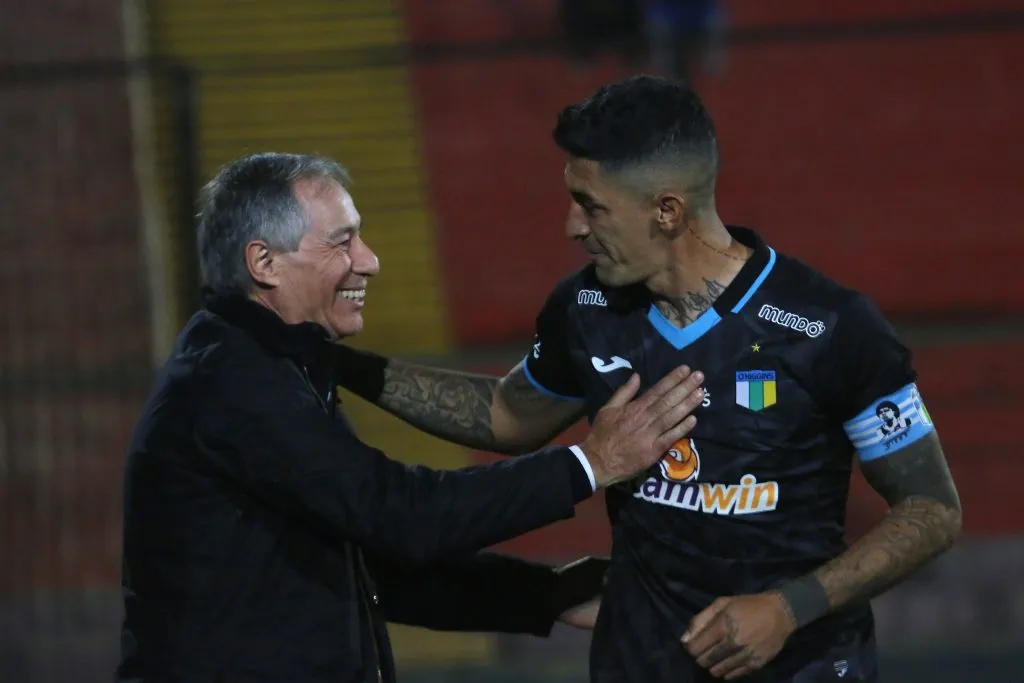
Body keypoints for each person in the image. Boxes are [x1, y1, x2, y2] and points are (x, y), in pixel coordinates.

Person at [330, 76, 963, 682]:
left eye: (591, 206)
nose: (572, 227)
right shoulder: (586, 309)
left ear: (667, 211)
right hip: (639, 664)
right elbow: (506, 415)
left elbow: (933, 509)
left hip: (802, 664)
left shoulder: (832, 326)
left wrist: (788, 607)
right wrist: (339, 363)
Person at [116, 152, 709, 682]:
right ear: (265, 263)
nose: (368, 261)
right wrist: (591, 463)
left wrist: (547, 595)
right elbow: (403, 515)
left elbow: (367, 567)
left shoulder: (266, 363)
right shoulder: (235, 386)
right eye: (341, 242)